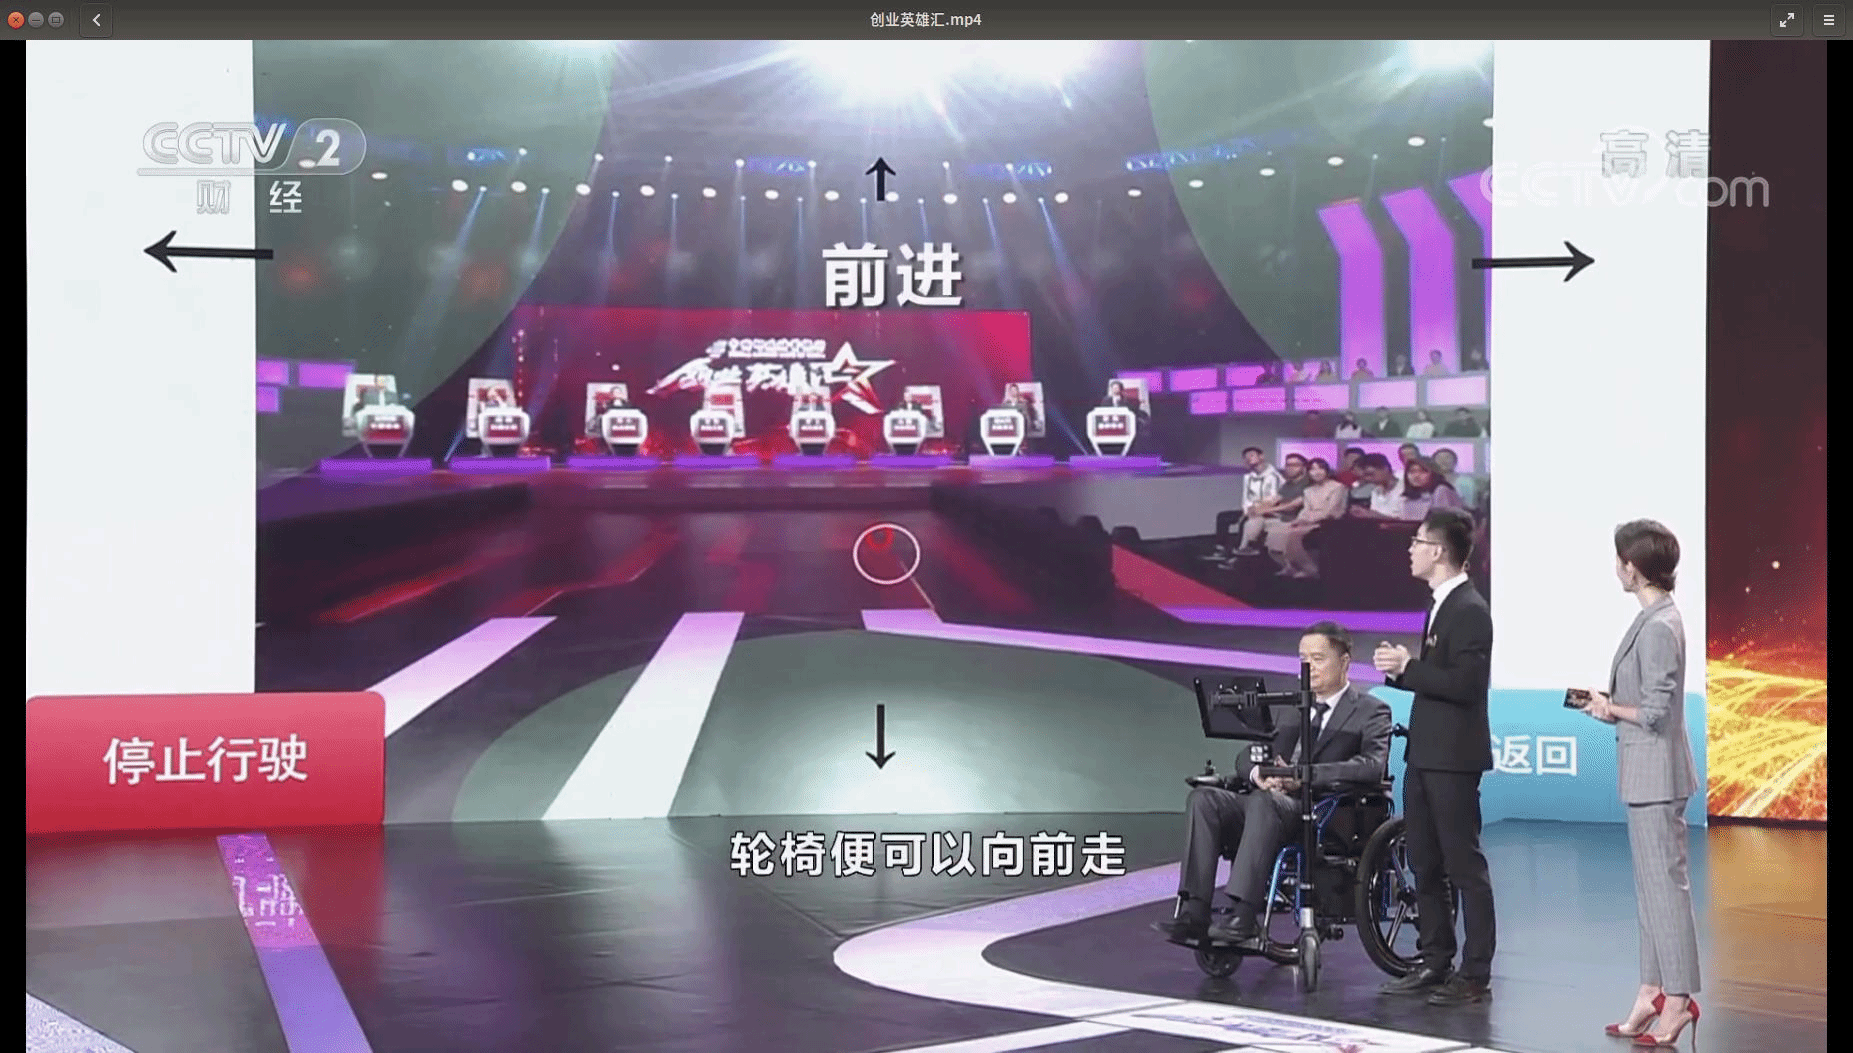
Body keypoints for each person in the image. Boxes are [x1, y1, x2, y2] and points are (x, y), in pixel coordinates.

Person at [1155, 622, 1392, 943]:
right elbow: (1248, 756)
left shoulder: (1370, 711)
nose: (1308, 667)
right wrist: (1260, 774)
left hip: (1322, 811)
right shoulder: (1290, 708)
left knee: (1264, 802)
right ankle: (1194, 913)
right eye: (1303, 659)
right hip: (1268, 803)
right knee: (1205, 799)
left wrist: (1302, 775)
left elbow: (1371, 767)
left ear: (1344, 662)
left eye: (1318, 659)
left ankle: (1243, 915)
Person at [1578, 520, 1702, 1047]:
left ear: (1633, 567)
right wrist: (1609, 708)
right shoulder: (1655, 618)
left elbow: (1653, 712)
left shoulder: (1658, 626)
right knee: (1652, 893)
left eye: (1619, 560)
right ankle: (1652, 988)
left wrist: (1611, 709)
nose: (1615, 568)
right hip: (1645, 771)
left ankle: (1679, 998)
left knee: (1666, 894)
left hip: (1657, 774)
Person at [1373, 508, 1496, 1005]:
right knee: (1424, 862)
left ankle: (1475, 972)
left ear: (1439, 551)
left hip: (1453, 759)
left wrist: (1410, 668)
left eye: (1417, 541)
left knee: (1463, 866)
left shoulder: (1469, 609)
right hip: (1424, 753)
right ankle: (1434, 958)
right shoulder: (1442, 605)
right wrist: (1403, 672)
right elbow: (1438, 680)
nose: (1410, 549)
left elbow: (1467, 685)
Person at [1265, 457, 1349, 577]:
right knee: (1276, 532)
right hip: (1307, 520)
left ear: (1326, 470)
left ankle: (1310, 569)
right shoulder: (1308, 490)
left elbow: (1332, 510)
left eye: (1320, 468)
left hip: (1329, 522)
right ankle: (1288, 565)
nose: (1316, 472)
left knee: (1294, 533)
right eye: (1312, 469)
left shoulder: (1337, 487)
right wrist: (1300, 520)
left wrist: (1308, 521)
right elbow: (1306, 509)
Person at [1208, 447, 1282, 558]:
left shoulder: (1274, 476)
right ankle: (1221, 548)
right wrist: (1247, 510)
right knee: (1223, 517)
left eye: (1252, 455)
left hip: (1267, 510)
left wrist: (1257, 508)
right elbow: (1246, 498)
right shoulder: (1248, 477)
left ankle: (1239, 551)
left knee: (1245, 522)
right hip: (1251, 509)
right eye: (1245, 457)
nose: (1248, 459)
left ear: (1261, 456)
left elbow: (1274, 498)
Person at [1397, 457, 1466, 521]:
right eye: (1412, 472)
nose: (1416, 476)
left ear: (1434, 473)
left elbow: (1441, 523)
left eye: (1423, 471)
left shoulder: (1441, 490)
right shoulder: (1406, 497)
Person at [1348, 453, 1403, 519]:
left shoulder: (1405, 489)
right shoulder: (1376, 491)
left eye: (1370, 474)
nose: (1367, 479)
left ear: (1385, 468)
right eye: (1365, 476)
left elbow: (1406, 521)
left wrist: (1373, 515)